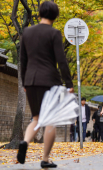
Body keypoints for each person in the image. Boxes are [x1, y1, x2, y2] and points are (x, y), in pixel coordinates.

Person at [17, 1, 74, 168]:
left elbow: (23, 60)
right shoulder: (54, 33)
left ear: (40, 13)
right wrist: (69, 83)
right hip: (49, 81)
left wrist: (24, 82)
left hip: (31, 81)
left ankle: (25, 142)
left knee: (36, 118)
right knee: (50, 120)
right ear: (55, 16)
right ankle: (45, 158)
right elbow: (61, 61)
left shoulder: (27, 32)